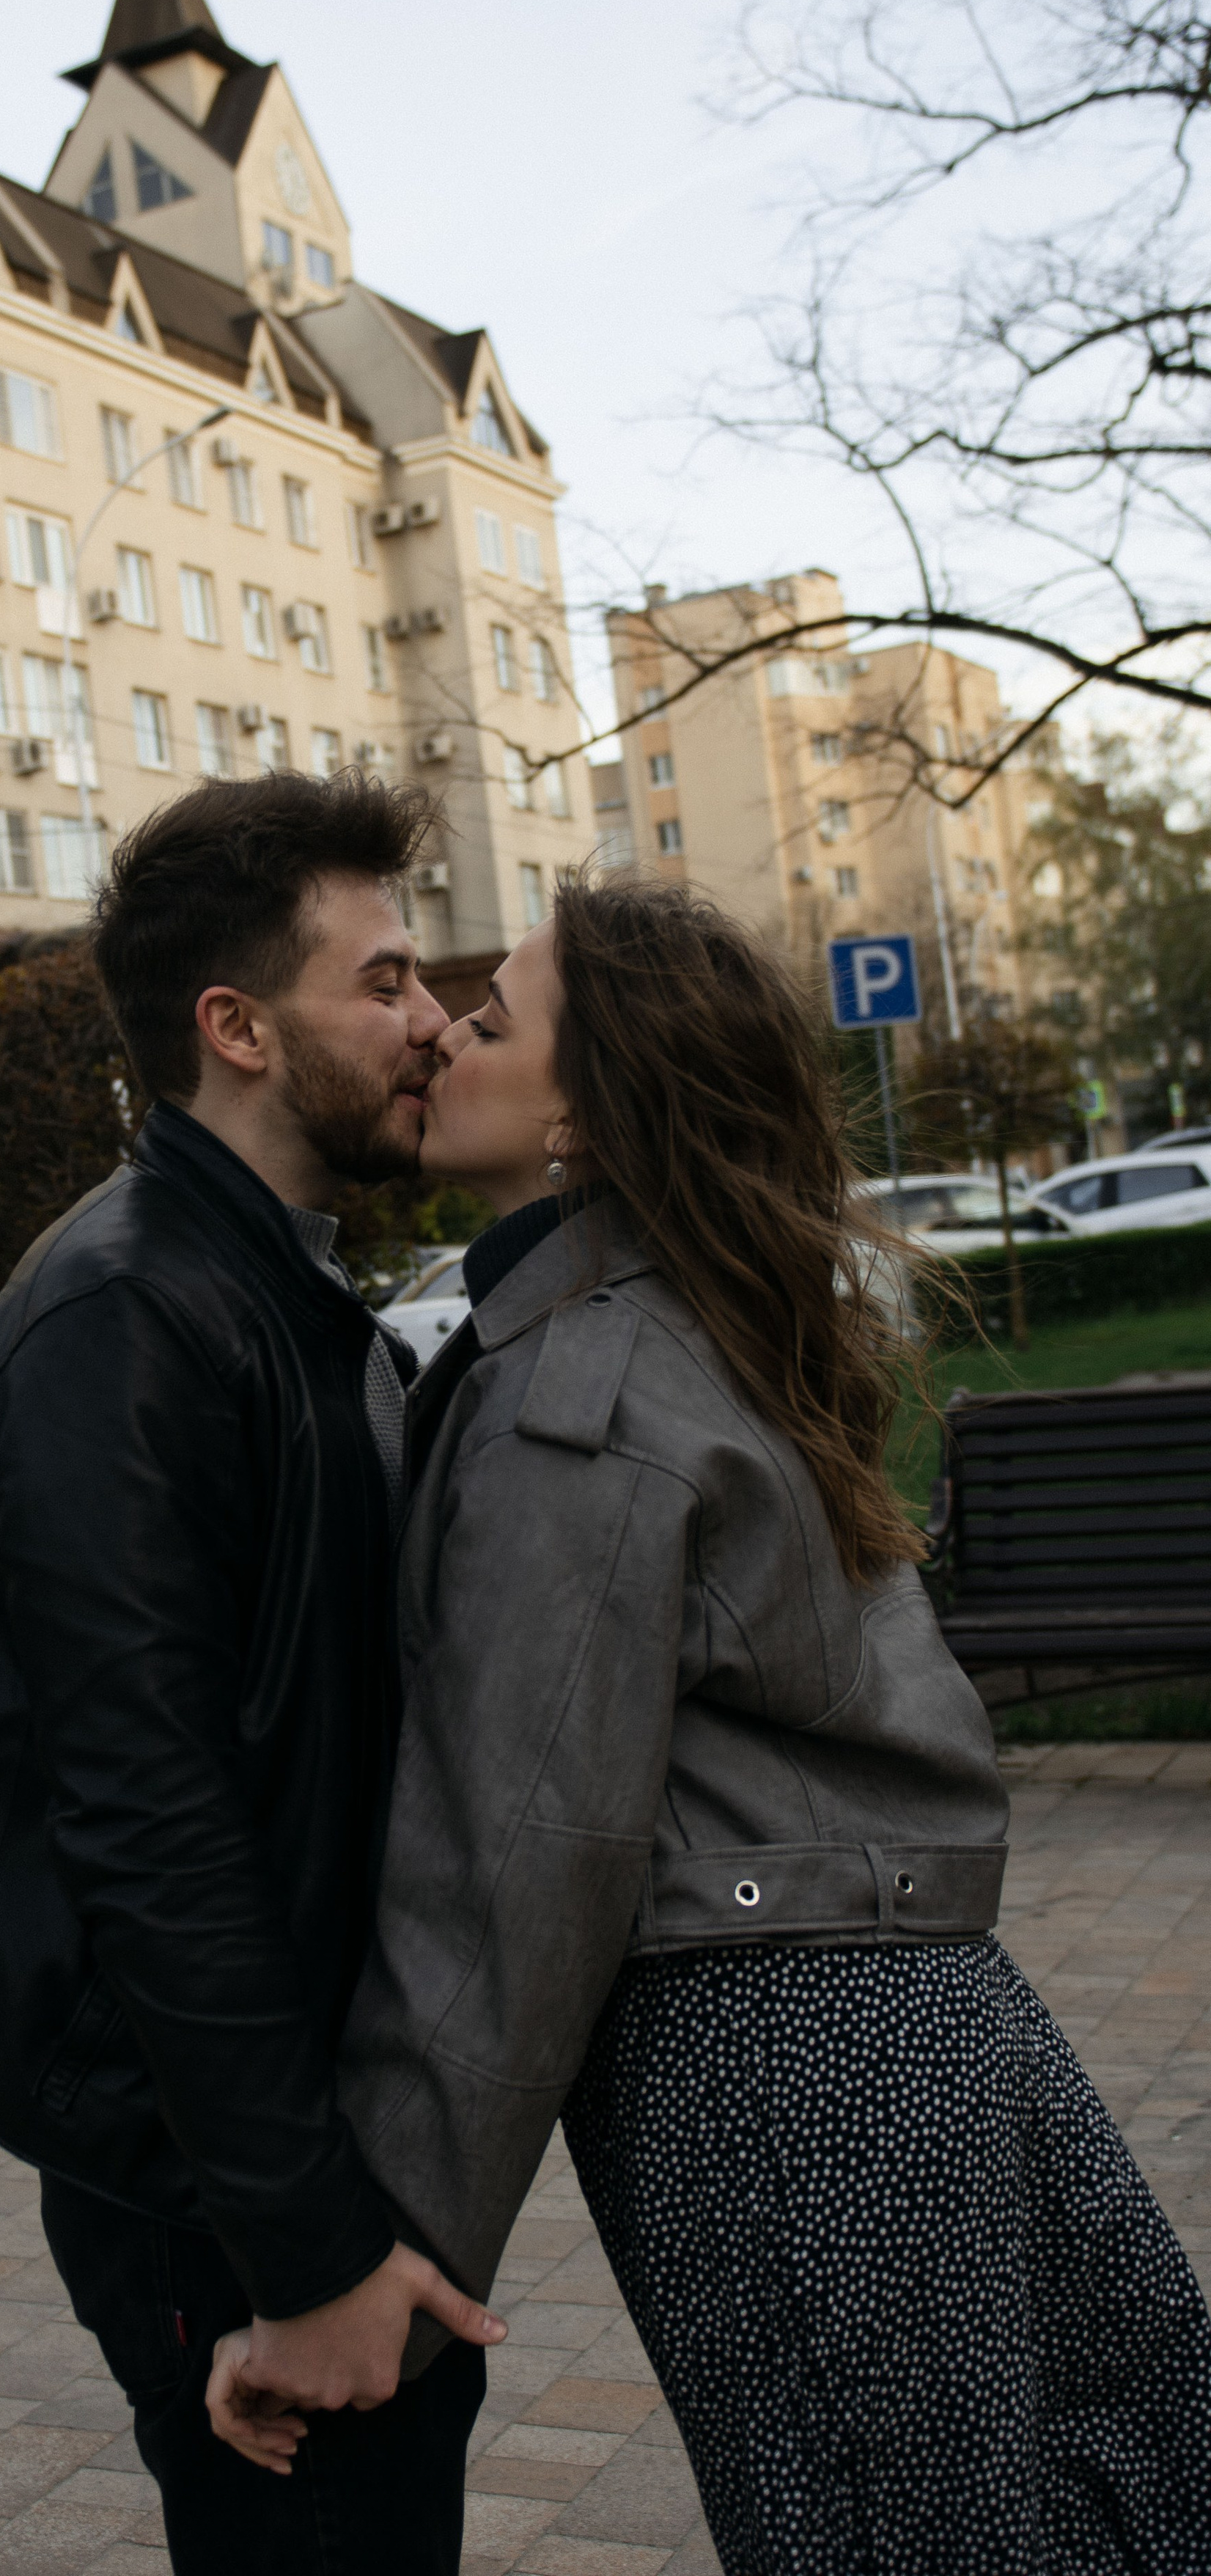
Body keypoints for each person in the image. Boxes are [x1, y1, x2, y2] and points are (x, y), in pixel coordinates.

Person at [210, 873, 1211, 2569]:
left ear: (582, 1118)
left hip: (776, 2085)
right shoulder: (694, 1317)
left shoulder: (579, 1400)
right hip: (935, 2036)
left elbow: (513, 1864)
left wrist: (357, 2273)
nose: (446, 1032)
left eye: (493, 1017)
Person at [0, 771, 504, 2576]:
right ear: (234, 1028)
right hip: (219, 2184)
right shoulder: (124, 1320)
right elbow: (148, 1823)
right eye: (379, 983)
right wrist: (302, 2253)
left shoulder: (261, 1291)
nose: (432, 1020)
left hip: (289, 2137)